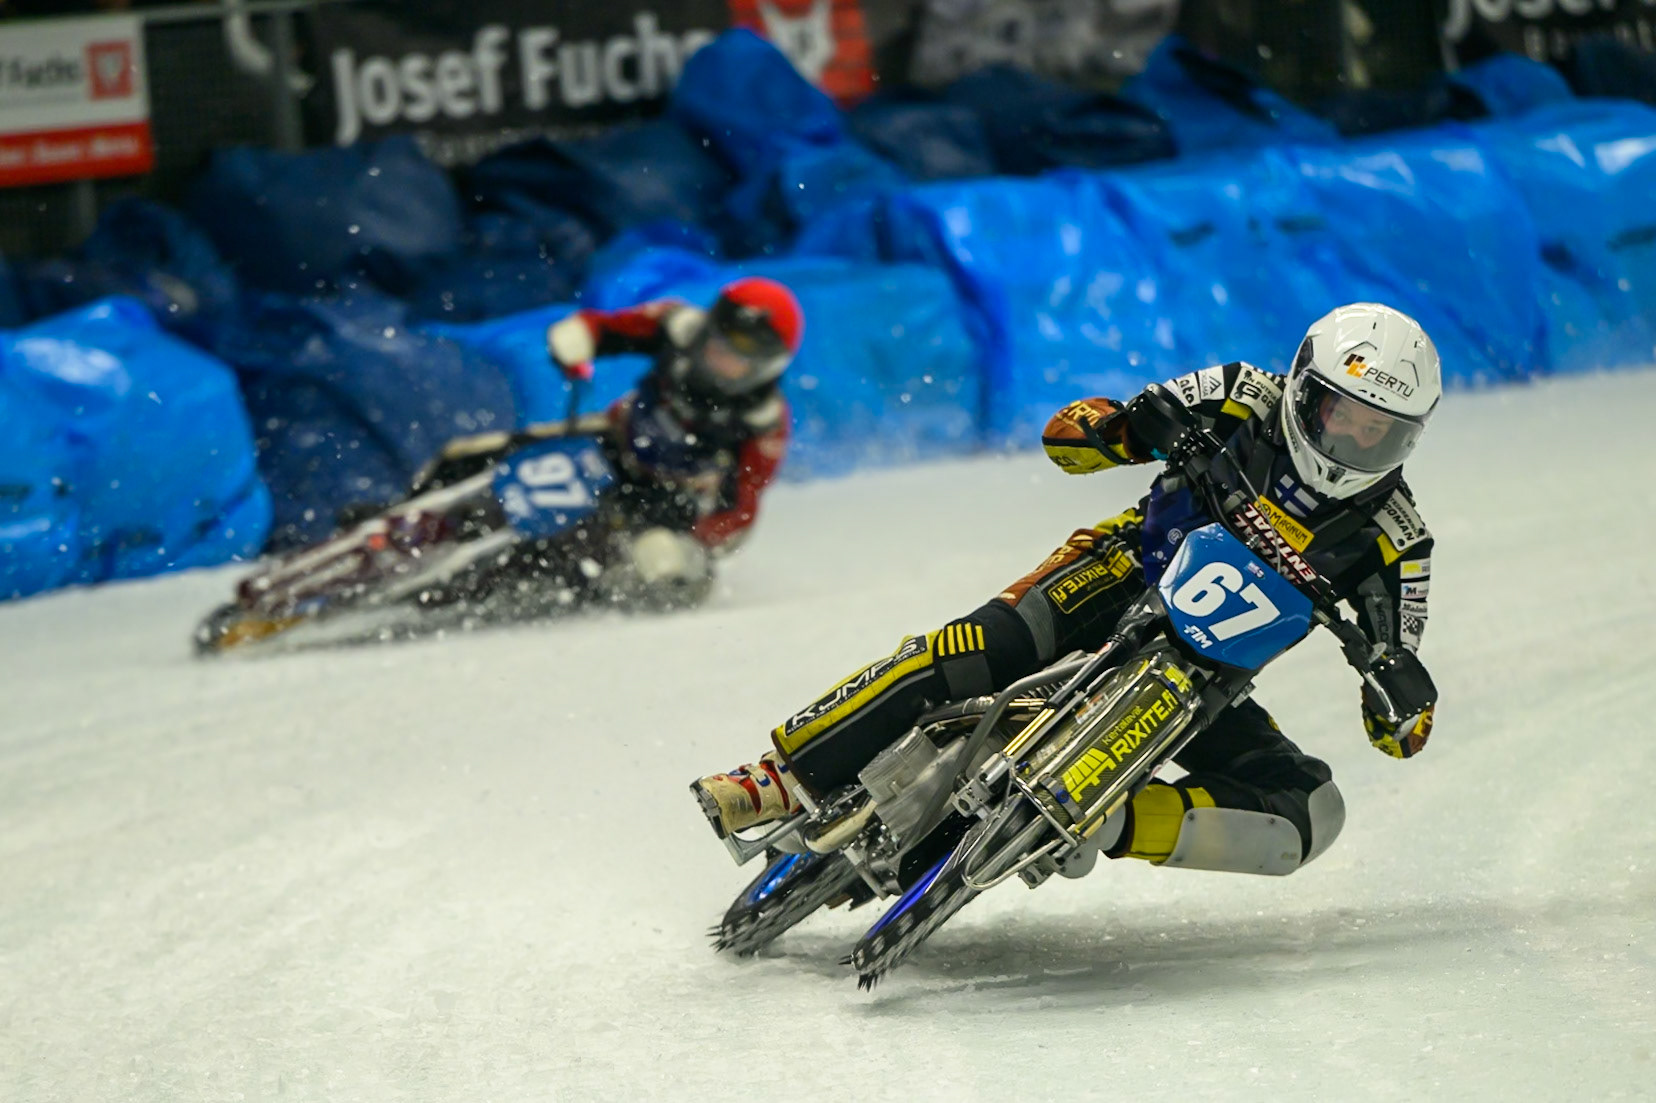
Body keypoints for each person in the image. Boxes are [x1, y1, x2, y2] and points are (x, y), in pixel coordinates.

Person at [691, 302, 1439, 877]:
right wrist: (1127, 429)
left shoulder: (1399, 540)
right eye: (1344, 415)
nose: (1355, 443)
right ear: (1306, 389)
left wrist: (1400, 695)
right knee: (978, 646)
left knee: (1314, 812)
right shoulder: (1241, 393)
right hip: (1120, 571)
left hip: (1208, 683)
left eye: (1383, 432)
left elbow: (1402, 732)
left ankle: (1105, 821)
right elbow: (1066, 437)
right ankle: (774, 779)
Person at [410, 276, 803, 611]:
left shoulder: (762, 426)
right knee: (474, 453)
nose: (721, 358)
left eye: (740, 355)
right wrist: (582, 338)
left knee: (626, 566)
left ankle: (471, 591)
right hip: (608, 441)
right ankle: (404, 518)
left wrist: (687, 541)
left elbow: (739, 511)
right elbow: (612, 328)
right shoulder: (676, 326)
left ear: (767, 366)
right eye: (719, 341)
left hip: (664, 504)